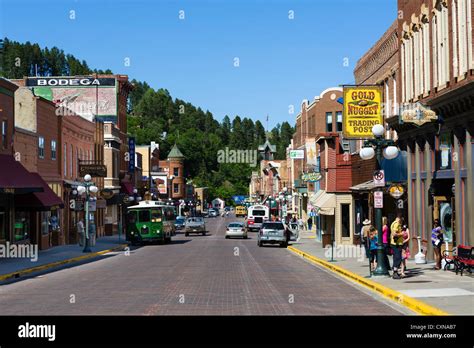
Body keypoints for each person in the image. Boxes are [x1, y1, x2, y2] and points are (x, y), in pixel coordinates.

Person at [390, 214, 404, 279]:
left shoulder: (393, 223)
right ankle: (395, 272)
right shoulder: (397, 224)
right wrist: (401, 234)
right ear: (399, 218)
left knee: (396, 258)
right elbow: (394, 234)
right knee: (398, 258)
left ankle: (395, 272)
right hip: (397, 244)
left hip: (394, 243)